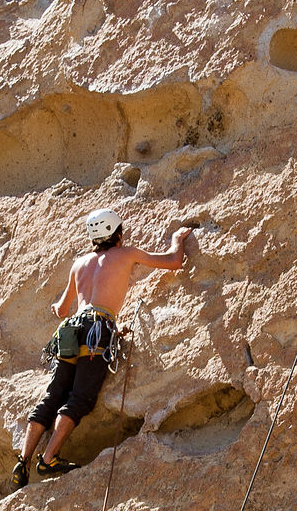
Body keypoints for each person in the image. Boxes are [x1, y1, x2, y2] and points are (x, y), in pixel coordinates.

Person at [12, 209, 193, 487]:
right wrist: (177, 238)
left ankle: (23, 461)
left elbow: (62, 310)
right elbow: (174, 261)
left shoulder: (79, 263)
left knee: (53, 394)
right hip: (98, 329)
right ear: (118, 234)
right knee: (80, 397)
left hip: (71, 329)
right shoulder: (125, 254)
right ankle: (48, 459)